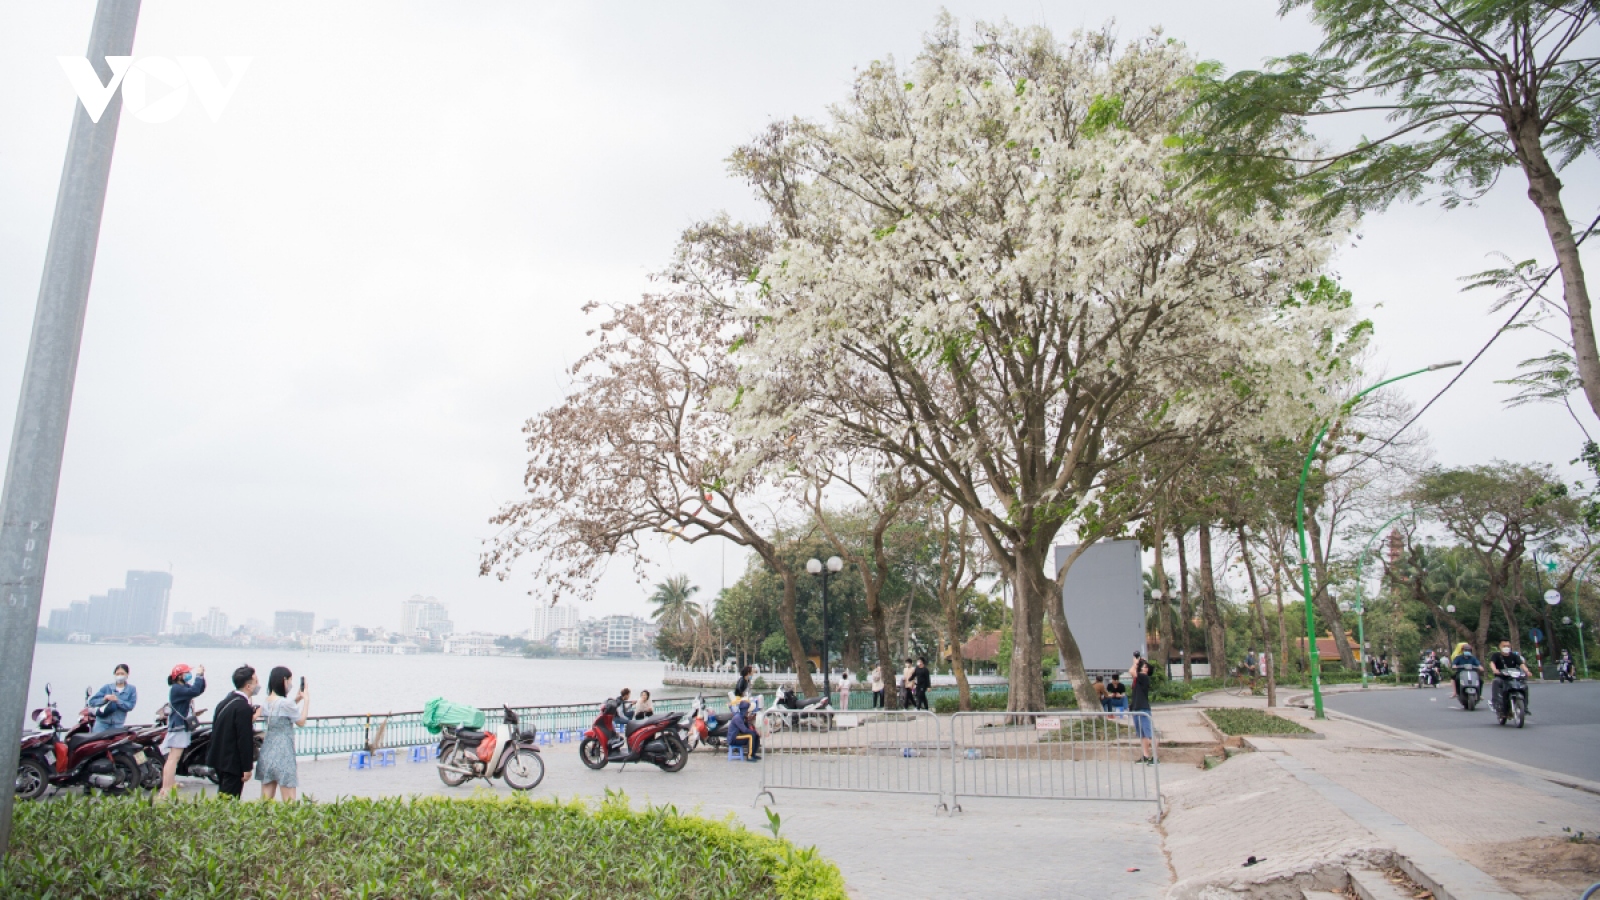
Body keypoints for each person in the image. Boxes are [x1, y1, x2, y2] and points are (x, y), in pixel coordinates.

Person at [256, 666, 308, 802]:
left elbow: (281, 711)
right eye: (290, 680)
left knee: (266, 799)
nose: (290, 684)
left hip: (268, 749)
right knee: (289, 799)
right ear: (284, 680)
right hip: (284, 751)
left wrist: (296, 700)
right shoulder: (285, 703)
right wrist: (306, 701)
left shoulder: (266, 701)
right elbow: (301, 721)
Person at [208, 665, 260, 798]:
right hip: (233, 762)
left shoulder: (225, 702)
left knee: (223, 796)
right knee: (229, 801)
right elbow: (244, 738)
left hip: (219, 758)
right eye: (256, 682)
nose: (258, 685)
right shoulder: (243, 707)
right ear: (248, 686)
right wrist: (247, 767)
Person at [160, 663, 206, 799]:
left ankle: (170, 783)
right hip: (178, 727)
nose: (188, 675)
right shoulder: (176, 689)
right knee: (173, 758)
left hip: (182, 727)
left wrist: (201, 676)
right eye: (186, 672)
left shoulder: (182, 687)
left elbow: (199, 689)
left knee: (175, 758)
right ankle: (166, 787)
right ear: (179, 676)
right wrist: (198, 675)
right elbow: (195, 691)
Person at [88, 664, 137, 734]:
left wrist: (117, 701)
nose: (120, 676)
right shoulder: (107, 687)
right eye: (118, 674)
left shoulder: (131, 689)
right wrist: (104, 699)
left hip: (117, 724)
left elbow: (130, 706)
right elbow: (92, 702)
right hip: (102, 723)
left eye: (122, 673)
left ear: (127, 675)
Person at [1487, 640, 1532, 716]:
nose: (1506, 648)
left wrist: (1527, 671)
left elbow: (1521, 664)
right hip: (1502, 677)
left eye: (1508, 646)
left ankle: (1525, 707)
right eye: (1504, 646)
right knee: (1496, 682)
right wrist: (1495, 670)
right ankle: (1497, 705)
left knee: (1524, 686)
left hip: (1513, 677)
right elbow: (1492, 663)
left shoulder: (1514, 656)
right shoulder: (1496, 655)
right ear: (1500, 647)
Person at [1128, 651, 1155, 764]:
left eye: (1145, 667)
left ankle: (1155, 757)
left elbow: (1131, 671)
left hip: (1143, 709)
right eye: (1143, 666)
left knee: (1149, 735)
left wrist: (1136, 663)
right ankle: (1145, 755)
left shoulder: (1144, 677)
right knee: (1142, 735)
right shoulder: (1137, 680)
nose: (1144, 668)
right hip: (1136, 709)